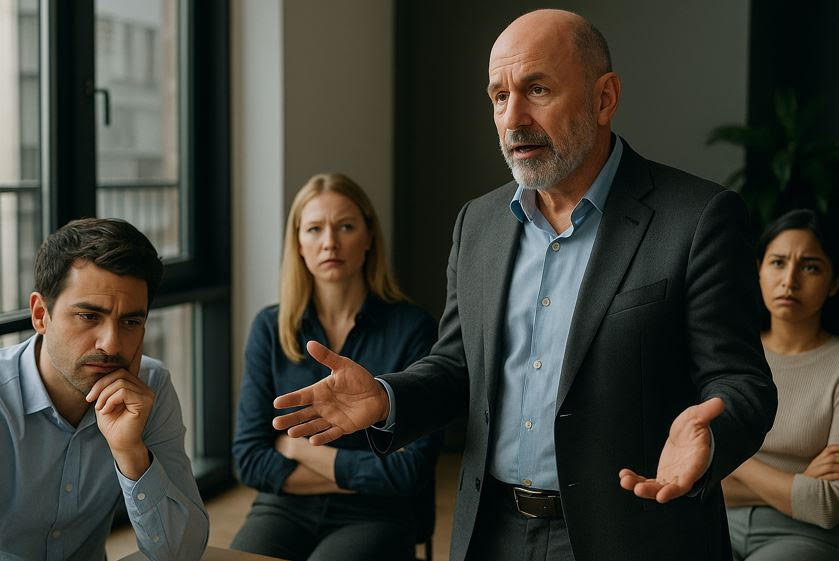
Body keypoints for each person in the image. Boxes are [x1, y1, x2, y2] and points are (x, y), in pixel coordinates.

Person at [272, 10, 777, 561]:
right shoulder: (478, 223)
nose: (513, 118)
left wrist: (712, 434)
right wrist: (388, 397)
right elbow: (456, 367)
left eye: (537, 89)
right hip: (492, 531)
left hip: (635, 532)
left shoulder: (698, 218)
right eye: (499, 96)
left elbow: (741, 382)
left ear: (604, 98)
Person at [231, 173, 441, 561]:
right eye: (314, 229)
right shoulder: (270, 328)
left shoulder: (414, 329)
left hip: (378, 514)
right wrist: (365, 473)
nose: (330, 242)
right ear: (298, 244)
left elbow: (410, 471)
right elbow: (249, 460)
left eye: (346, 226)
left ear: (369, 237)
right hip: (284, 507)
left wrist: (298, 449)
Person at [0, 218, 208, 561]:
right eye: (88, 316)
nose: (111, 345)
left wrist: (130, 452)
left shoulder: (149, 388)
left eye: (131, 322)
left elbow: (181, 553)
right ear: (40, 315)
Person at [722, 209, 839, 560]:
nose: (790, 280)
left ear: (834, 283)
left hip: (803, 535)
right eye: (777, 262)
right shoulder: (726, 353)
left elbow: (826, 505)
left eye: (810, 267)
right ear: (758, 271)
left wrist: (726, 457)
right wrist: (799, 479)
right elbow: (682, 475)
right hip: (715, 522)